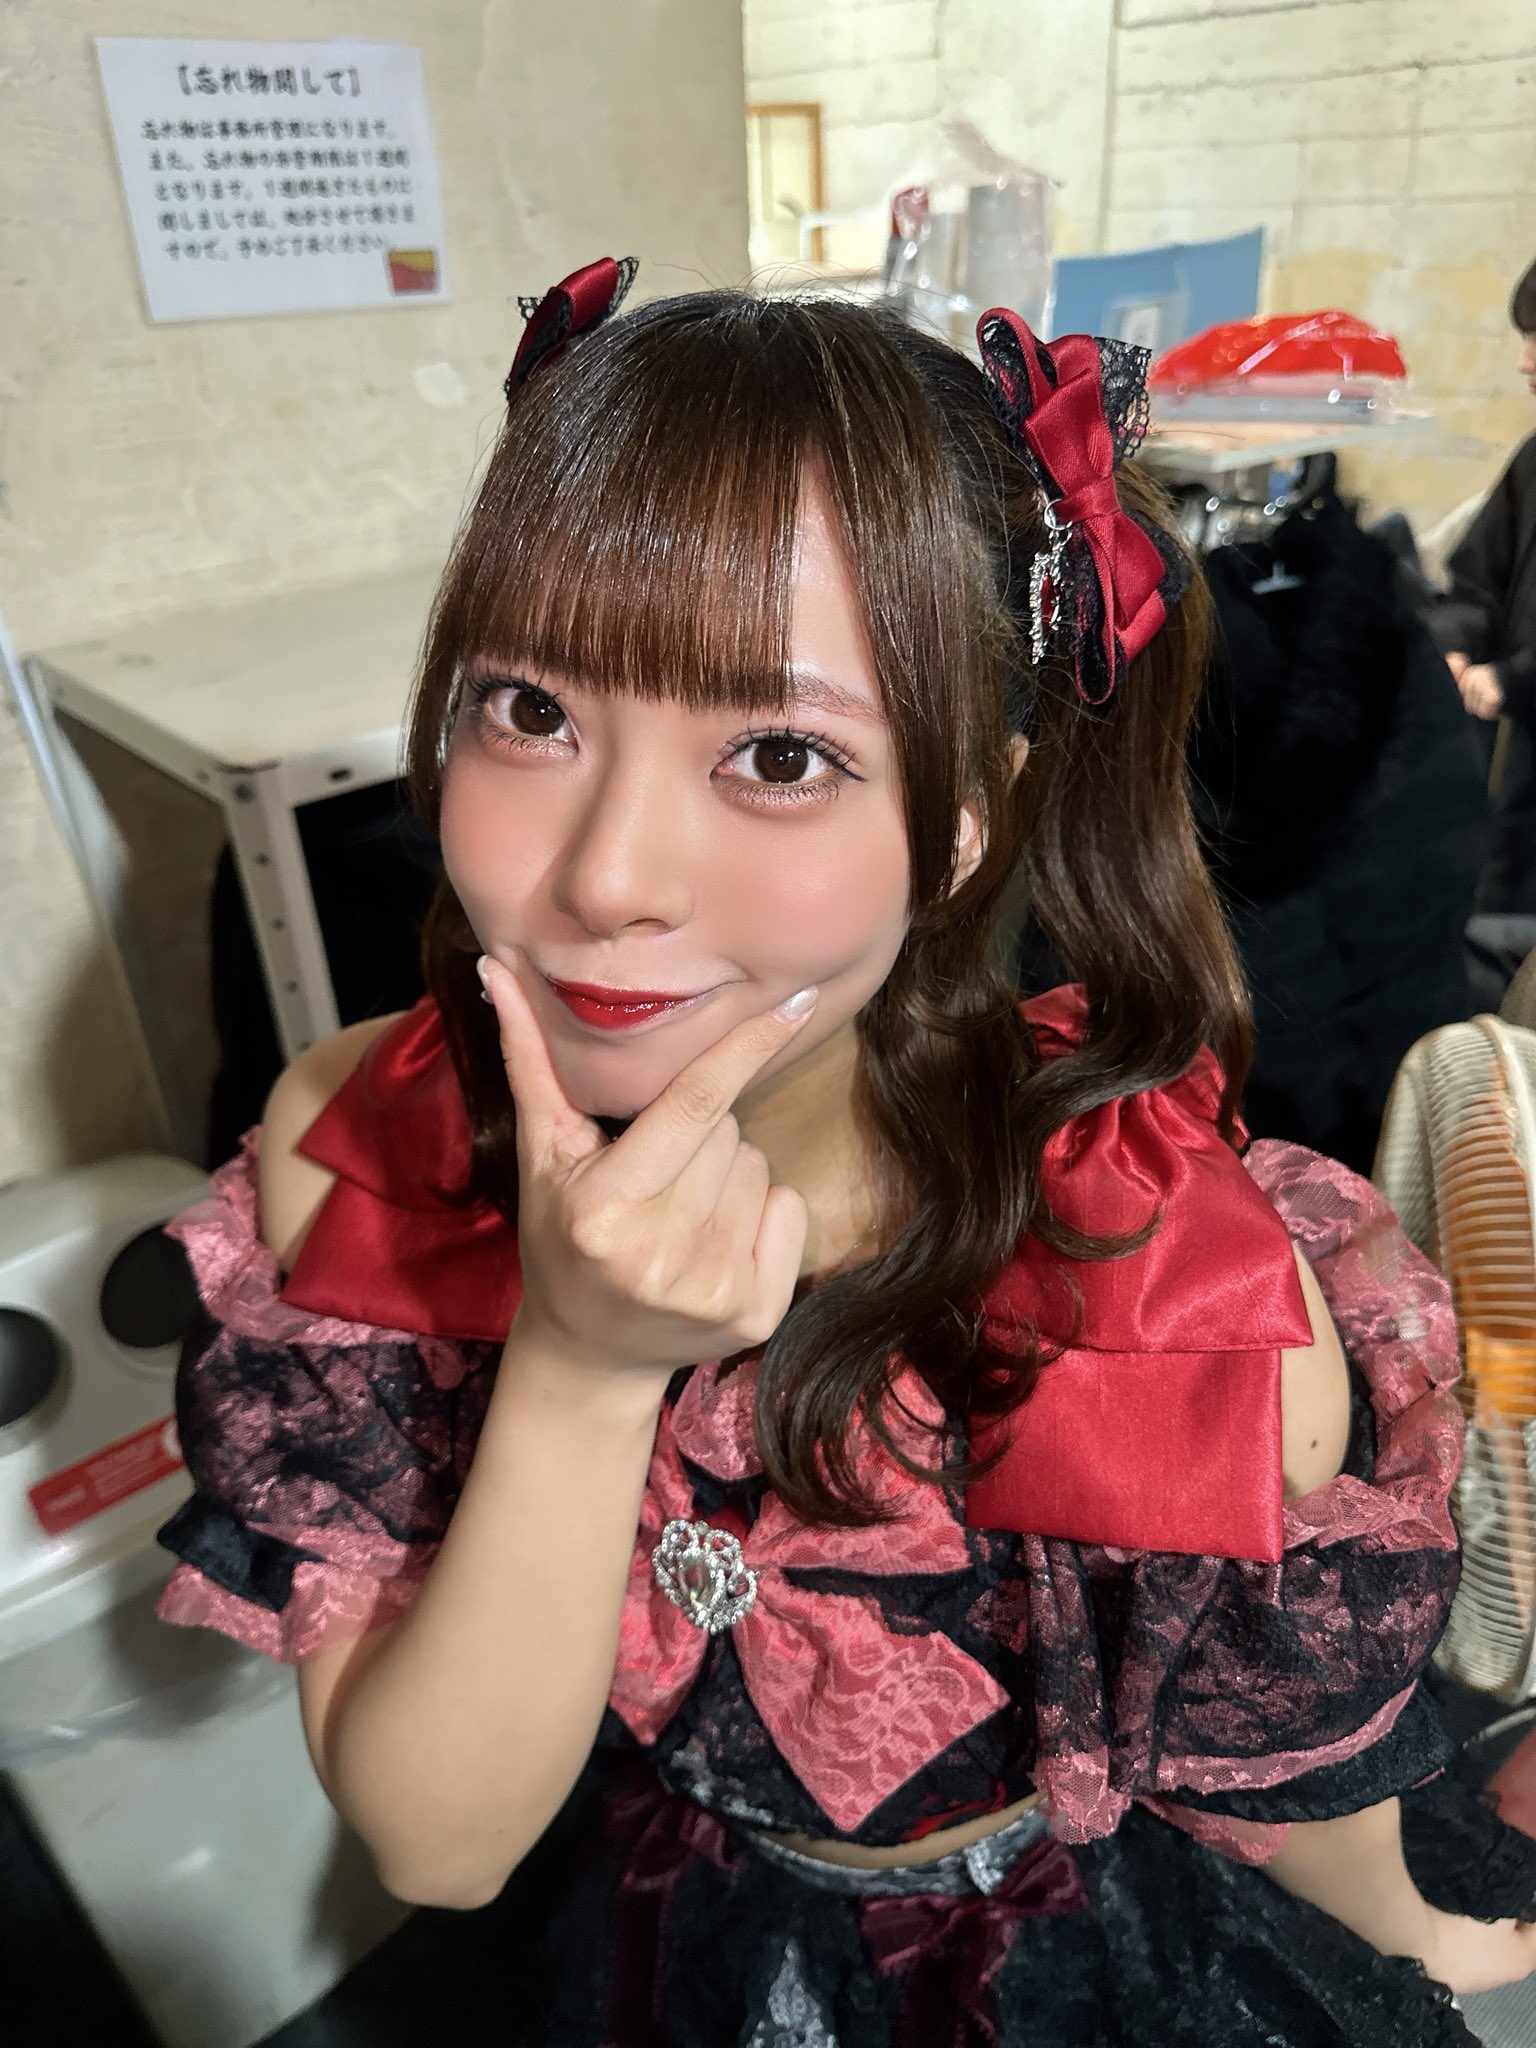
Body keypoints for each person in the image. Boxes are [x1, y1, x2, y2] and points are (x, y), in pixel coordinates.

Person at [154, 261, 1536, 2046]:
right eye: (532, 711)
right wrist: (579, 1367)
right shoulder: (366, 1160)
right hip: (653, 1912)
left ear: (962, 822)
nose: (605, 877)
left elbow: (1313, 1825)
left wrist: (1458, 1928)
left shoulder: (1168, 1283)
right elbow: (438, 1841)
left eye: (781, 752)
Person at [1435, 256, 1536, 914]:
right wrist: (1458, 645)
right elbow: (1478, 576)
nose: (1526, 362)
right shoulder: (1533, 458)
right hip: (1515, 763)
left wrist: (1515, 679)